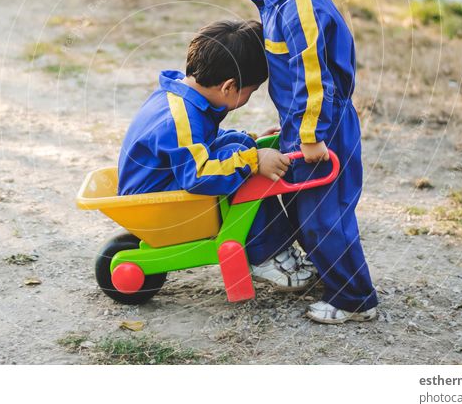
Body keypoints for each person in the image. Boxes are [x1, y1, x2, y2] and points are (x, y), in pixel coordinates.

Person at [249, 0, 379, 323]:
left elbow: (313, 79)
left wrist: (310, 137)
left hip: (324, 130)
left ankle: (354, 299)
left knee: (324, 216)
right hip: (308, 126)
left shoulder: (301, 5)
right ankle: (327, 274)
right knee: (308, 210)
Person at [118, 19, 315, 290]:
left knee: (240, 148)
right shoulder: (181, 118)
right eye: (251, 91)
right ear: (229, 87)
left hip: (165, 187)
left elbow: (202, 145)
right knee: (245, 171)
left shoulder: (184, 97)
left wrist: (251, 141)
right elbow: (197, 175)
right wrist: (252, 161)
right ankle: (268, 256)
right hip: (158, 203)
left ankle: (275, 249)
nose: (250, 96)